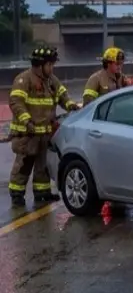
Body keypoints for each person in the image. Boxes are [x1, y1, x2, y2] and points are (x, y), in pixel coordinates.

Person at [8, 46, 79, 206]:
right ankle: (17, 194)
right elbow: (16, 103)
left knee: (44, 166)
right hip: (28, 134)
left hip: (45, 133)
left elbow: (63, 96)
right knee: (24, 165)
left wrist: (71, 105)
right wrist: (27, 120)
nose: (52, 68)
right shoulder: (24, 79)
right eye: (50, 65)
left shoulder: (51, 80)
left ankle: (42, 193)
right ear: (40, 65)